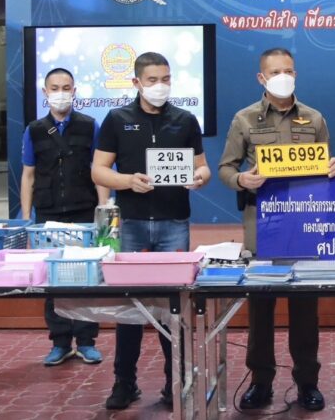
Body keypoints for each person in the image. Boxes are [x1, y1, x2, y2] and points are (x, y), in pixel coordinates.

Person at [218, 47, 335, 412]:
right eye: (275, 72)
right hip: (262, 224)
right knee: (261, 308)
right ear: (262, 77)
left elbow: (325, 166)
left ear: (296, 74)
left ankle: (307, 382)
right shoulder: (244, 119)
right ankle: (260, 382)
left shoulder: (314, 118)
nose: (282, 76)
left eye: (288, 70)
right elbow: (225, 168)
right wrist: (242, 179)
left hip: (304, 223)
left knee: (305, 309)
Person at [92, 52, 211, 410]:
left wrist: (198, 178)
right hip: (131, 225)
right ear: (137, 83)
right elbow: (99, 171)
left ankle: (176, 382)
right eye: (153, 80)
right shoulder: (117, 119)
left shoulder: (185, 120)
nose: (161, 86)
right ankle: (124, 382)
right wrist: (127, 181)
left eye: (166, 79)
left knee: (173, 307)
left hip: (174, 224)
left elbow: (203, 168)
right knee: (130, 308)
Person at [20, 68, 110, 367]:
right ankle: (60, 342)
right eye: (55, 88)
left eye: (66, 87)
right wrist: (26, 218)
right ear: (45, 93)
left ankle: (86, 341)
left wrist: (102, 209)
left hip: (84, 211)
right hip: (47, 213)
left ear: (75, 91)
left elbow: (100, 170)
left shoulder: (90, 126)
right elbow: (28, 175)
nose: (61, 93)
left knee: (86, 278)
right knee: (53, 281)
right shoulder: (34, 130)